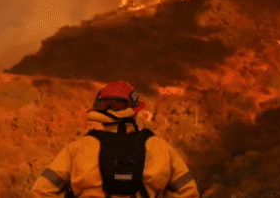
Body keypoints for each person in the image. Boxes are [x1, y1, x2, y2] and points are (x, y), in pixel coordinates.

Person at [32, 80, 199, 198]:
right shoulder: (160, 148)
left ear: (99, 112)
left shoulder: (77, 149)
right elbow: (188, 192)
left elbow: (42, 190)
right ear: (135, 110)